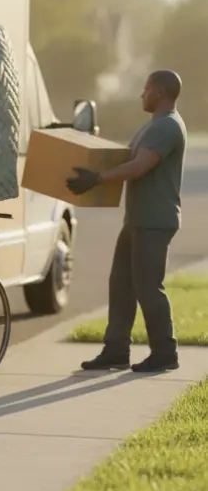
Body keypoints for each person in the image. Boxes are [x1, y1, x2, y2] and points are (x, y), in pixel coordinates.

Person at [67, 69, 187, 372]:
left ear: (159, 93)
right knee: (121, 284)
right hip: (137, 220)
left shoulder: (167, 127)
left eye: (146, 89)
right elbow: (125, 159)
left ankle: (165, 353)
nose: (141, 95)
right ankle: (116, 351)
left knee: (148, 287)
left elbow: (138, 167)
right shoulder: (153, 126)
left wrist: (97, 178)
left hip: (154, 221)